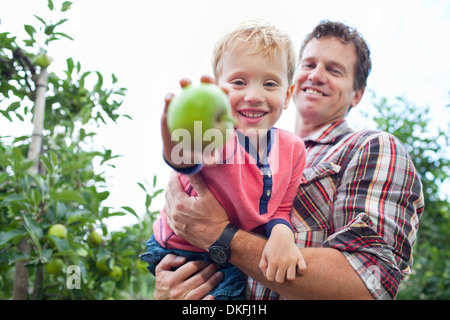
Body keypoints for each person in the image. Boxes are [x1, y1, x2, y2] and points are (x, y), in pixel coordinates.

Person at [153, 20, 425, 300]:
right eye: (308, 65)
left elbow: (367, 282)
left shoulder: (370, 147)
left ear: (357, 94)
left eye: (334, 70)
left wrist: (218, 234)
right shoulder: (232, 137)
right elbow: (188, 155)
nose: (316, 76)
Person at [140, 20, 307, 300]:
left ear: (288, 94)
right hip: (183, 254)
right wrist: (177, 136)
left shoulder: (293, 149)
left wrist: (281, 233)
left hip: (228, 254)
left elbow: (280, 208)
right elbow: (186, 159)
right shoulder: (217, 135)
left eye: (270, 83)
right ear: (217, 89)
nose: (254, 96)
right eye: (239, 82)